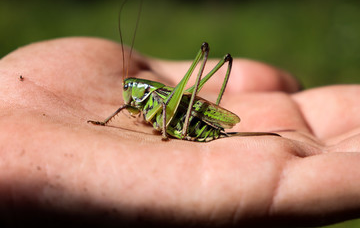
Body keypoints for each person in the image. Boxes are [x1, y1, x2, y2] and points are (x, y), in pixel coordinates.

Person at [1, 37, 359, 227]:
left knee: (195, 76)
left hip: (186, 121)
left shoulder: (142, 97)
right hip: (179, 117)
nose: (128, 96)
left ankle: (185, 125)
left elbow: (130, 107)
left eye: (130, 90)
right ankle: (182, 124)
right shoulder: (138, 96)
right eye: (129, 90)